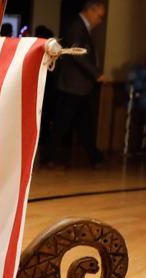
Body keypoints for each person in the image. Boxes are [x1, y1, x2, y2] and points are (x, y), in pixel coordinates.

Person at [47, 0, 107, 167]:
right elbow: (77, 54)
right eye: (99, 16)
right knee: (63, 123)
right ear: (90, 10)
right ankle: (49, 156)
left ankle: (94, 156)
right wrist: (97, 74)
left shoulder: (81, 27)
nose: (100, 20)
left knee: (81, 123)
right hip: (72, 85)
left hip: (78, 86)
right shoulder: (76, 26)